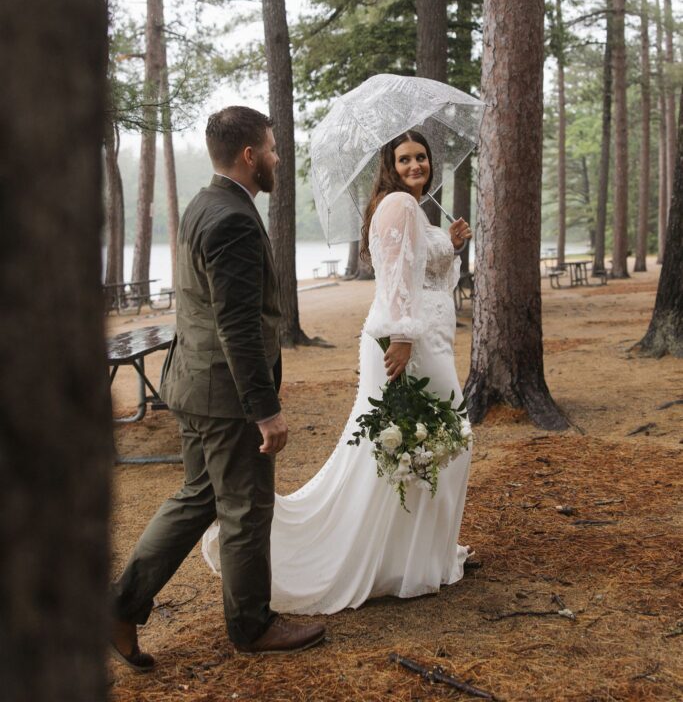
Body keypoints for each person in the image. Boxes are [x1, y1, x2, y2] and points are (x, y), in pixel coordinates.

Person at [202, 129, 473, 613]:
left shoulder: (414, 208)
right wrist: (403, 338)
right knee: (432, 442)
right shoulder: (399, 205)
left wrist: (449, 246)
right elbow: (394, 278)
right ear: (390, 165)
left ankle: (419, 554)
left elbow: (421, 270)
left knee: (423, 446)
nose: (416, 166)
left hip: (428, 339)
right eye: (405, 159)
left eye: (422, 158)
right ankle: (399, 559)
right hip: (408, 344)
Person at [110, 106, 325, 671]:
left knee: (199, 496)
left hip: (195, 385)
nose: (278, 157)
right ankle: (252, 626)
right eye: (273, 149)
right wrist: (266, 411)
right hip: (226, 396)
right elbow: (236, 324)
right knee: (246, 509)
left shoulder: (205, 203)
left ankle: (119, 606)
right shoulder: (230, 217)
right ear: (250, 156)